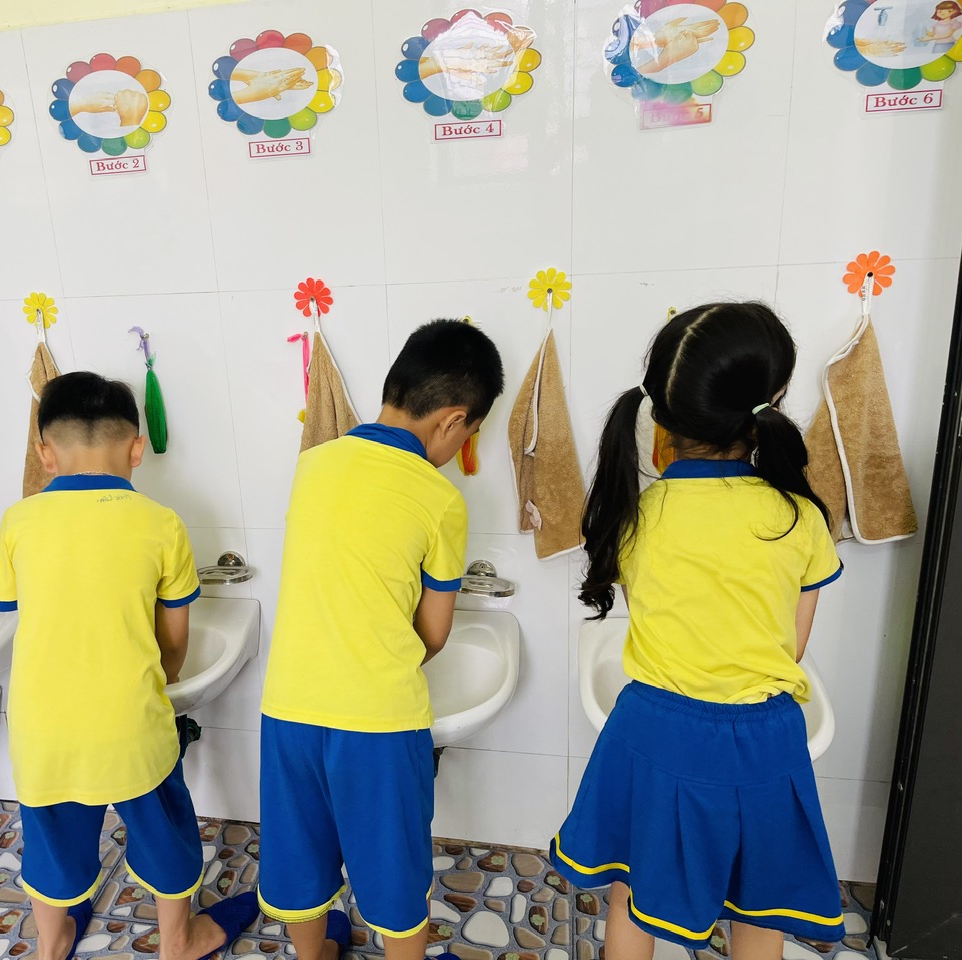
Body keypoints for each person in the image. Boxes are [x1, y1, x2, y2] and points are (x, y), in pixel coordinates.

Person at [551, 304, 846, 959]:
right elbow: (791, 647)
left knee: (630, 892)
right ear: (771, 402)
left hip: (651, 731)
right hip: (761, 743)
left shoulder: (637, 512)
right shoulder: (799, 518)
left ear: (661, 411)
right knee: (760, 909)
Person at [0, 372, 258, 960]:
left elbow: (13, 611)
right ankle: (177, 941)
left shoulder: (18, 521)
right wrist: (161, 678)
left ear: (45, 453)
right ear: (137, 448)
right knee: (165, 830)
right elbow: (174, 642)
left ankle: (52, 943)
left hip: (43, 729)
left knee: (51, 840)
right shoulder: (161, 523)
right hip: (131, 725)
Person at [257, 319, 505, 960]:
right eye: (471, 432)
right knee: (394, 877)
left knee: (300, 860)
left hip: (287, 710)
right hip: (379, 722)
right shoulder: (440, 499)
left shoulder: (312, 465)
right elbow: (435, 632)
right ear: (453, 420)